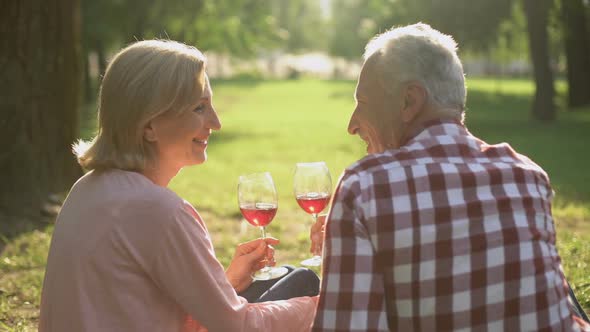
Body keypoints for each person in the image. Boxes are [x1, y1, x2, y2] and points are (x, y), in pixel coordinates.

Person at [311, 23, 590, 331]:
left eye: (362, 103)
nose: (352, 125)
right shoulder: (528, 177)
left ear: (409, 102)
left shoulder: (363, 188)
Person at [39, 40, 319, 332]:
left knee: (286, 276)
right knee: (305, 285)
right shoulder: (161, 211)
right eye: (199, 108)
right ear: (149, 125)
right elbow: (238, 327)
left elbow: (136, 309)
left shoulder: (85, 189)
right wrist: (327, 304)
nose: (216, 122)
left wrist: (224, 284)